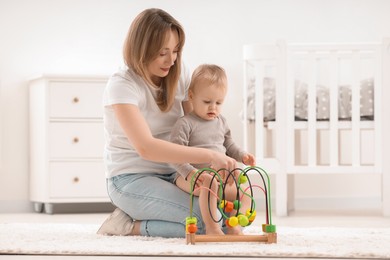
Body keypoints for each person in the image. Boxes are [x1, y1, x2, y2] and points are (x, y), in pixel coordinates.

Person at [96, 8, 238, 238]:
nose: (171, 60)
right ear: (142, 49)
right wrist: (210, 157)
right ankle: (127, 225)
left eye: (175, 51)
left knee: (223, 215)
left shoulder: (179, 73)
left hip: (176, 173)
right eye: (163, 52)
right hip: (131, 178)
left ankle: (147, 216)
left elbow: (197, 129)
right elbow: (146, 147)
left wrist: (208, 167)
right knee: (206, 224)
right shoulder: (122, 85)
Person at [170, 64, 256, 235]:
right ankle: (212, 227)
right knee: (209, 182)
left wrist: (243, 156)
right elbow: (175, 155)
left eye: (218, 102)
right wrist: (191, 172)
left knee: (243, 184)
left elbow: (229, 145)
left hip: (219, 177)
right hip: (189, 176)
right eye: (207, 102)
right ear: (192, 96)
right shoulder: (185, 123)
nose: (213, 107)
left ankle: (234, 224)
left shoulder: (221, 121)